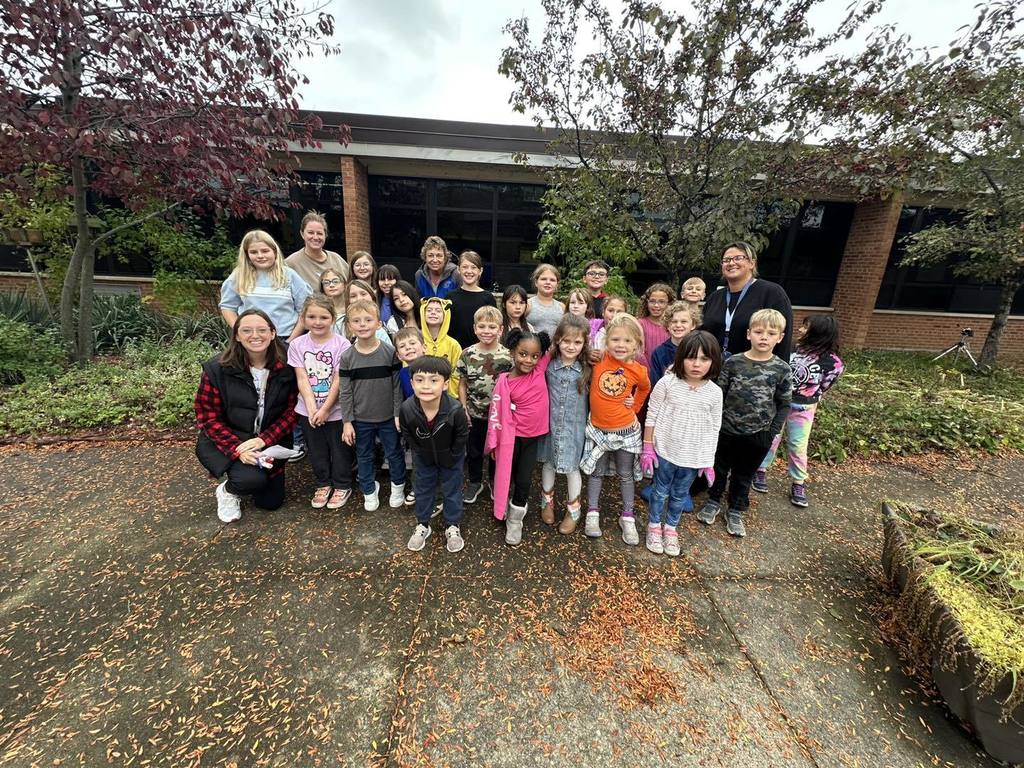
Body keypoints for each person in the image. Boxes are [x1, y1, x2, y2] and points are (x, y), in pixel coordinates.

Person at [195, 309, 298, 523]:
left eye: (262, 330)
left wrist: (263, 439)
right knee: (249, 480)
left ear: (272, 333)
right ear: (237, 336)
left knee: (271, 502)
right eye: (247, 330)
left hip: (269, 439)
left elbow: (293, 410)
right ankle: (228, 491)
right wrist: (236, 450)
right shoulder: (217, 369)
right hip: (231, 438)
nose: (255, 335)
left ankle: (257, 476)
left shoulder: (288, 365)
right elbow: (207, 417)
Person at [698, 308, 792, 538]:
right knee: (719, 468)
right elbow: (718, 394)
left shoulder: (781, 369)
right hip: (726, 430)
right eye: (759, 332)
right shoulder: (734, 363)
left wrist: (771, 433)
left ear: (779, 338)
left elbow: (784, 404)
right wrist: (715, 424)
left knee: (744, 474)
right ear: (749, 334)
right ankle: (713, 500)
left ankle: (737, 509)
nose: (764, 337)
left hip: (758, 433)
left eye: (771, 333)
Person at [641, 331, 723, 556]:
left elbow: (714, 427)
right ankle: (654, 525)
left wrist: (708, 460)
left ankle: (671, 528)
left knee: (679, 495)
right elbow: (652, 414)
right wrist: (647, 447)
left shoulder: (715, 393)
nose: (697, 364)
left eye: (704, 359)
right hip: (665, 451)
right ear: (680, 357)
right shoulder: (667, 383)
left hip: (693, 457)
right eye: (691, 357)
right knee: (659, 491)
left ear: (713, 361)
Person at [753, 314, 844, 508]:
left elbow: (824, 386)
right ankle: (760, 470)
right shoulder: (792, 349)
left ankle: (798, 482)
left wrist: (809, 399)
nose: (801, 330)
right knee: (771, 438)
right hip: (778, 404)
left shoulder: (833, 362)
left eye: (806, 327)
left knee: (797, 445)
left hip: (803, 408)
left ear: (818, 332)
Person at [580, 313, 652, 544]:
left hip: (625, 431)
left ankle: (628, 516)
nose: (621, 345)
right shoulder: (599, 359)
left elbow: (644, 389)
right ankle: (592, 512)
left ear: (637, 345)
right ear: (606, 340)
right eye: (616, 340)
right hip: (598, 430)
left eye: (627, 341)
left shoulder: (639, 371)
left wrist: (635, 406)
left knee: (625, 474)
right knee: (596, 472)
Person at [485, 328, 552, 546]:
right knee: (506, 475)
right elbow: (495, 415)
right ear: (513, 352)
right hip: (509, 439)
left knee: (524, 479)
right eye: (523, 354)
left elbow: (560, 340)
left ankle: (515, 519)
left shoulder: (540, 370)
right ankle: (501, 505)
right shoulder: (504, 381)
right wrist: (494, 444)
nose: (529, 360)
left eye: (534, 356)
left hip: (531, 440)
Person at [338, 300, 407, 512]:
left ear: (378, 323)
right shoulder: (347, 357)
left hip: (388, 417)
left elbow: (397, 387)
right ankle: (369, 490)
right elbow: (345, 391)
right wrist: (347, 422)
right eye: (357, 321)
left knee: (394, 452)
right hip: (361, 419)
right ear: (349, 326)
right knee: (364, 454)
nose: (363, 324)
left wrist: (397, 413)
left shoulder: (389, 353)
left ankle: (398, 487)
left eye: (368, 320)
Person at [288, 295, 355, 509]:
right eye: (312, 317)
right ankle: (323, 482)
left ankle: (342, 484)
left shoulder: (341, 344)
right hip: (307, 409)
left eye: (323, 317)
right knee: (316, 449)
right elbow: (301, 378)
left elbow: (338, 379)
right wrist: (311, 408)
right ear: (304, 318)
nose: (318, 322)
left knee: (339, 448)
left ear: (333, 318)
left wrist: (325, 408)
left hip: (335, 410)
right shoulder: (297, 345)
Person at [400, 356, 470, 553]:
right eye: (420, 380)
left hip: (451, 458)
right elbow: (406, 432)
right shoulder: (407, 408)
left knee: (452, 491)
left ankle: (452, 525)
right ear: (412, 383)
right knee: (422, 489)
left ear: (445, 384)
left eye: (434, 380)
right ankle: (423, 524)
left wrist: (454, 455)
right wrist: (419, 451)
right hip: (423, 458)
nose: (426, 386)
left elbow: (462, 435)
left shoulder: (455, 409)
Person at [537, 315, 591, 534]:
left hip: (574, 429)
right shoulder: (548, 367)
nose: (571, 346)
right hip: (550, 426)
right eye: (566, 341)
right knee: (548, 463)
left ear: (584, 344)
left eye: (577, 342)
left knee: (571, 468)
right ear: (557, 340)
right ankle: (546, 501)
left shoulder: (589, 370)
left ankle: (573, 509)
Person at [701, 242, 794, 361]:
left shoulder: (772, 293)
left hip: (753, 373)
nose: (731, 263)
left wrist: (778, 373)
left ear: (752, 263)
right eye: (726, 260)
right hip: (713, 371)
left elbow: (783, 339)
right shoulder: (715, 297)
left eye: (738, 258)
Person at [456, 306, 512, 505]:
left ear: (500, 329)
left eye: (492, 326)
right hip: (474, 412)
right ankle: (475, 481)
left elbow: (513, 386)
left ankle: (495, 482)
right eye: (482, 326)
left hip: (499, 416)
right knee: (474, 450)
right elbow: (462, 382)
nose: (487, 330)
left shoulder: (507, 356)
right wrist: (463, 407)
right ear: (474, 328)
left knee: (497, 451)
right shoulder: (467, 354)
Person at [219, 230, 311, 341]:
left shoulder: (289, 275)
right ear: (247, 255)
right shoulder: (239, 276)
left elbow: (305, 310)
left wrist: (291, 341)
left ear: (274, 251)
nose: (260, 256)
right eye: (253, 252)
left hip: (284, 336)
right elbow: (227, 307)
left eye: (265, 251)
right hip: (252, 339)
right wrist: (240, 331)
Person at [285, 210, 349, 291]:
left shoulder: (337, 260)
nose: (315, 237)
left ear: (325, 235)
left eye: (319, 233)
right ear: (302, 234)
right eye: (310, 232)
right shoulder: (291, 263)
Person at [448, 250, 498, 348]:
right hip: (455, 352)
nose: (469, 271)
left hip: (481, 353)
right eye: (465, 267)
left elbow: (493, 327)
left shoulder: (488, 298)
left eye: (473, 267)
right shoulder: (450, 297)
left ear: (480, 271)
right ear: (458, 269)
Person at [649, 302, 701, 384]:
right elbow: (655, 383)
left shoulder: (699, 350)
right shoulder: (659, 352)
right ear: (667, 325)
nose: (678, 325)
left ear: (693, 325)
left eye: (683, 321)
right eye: (674, 321)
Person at [420, 297, 462, 396]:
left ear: (445, 315)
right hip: (421, 395)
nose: (433, 313)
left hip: (446, 397)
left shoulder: (453, 344)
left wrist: (449, 394)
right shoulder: (417, 341)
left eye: (438, 311)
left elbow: (457, 374)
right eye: (429, 310)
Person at [341, 279, 392, 348]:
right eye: (353, 296)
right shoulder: (339, 325)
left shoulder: (378, 330)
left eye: (363, 294)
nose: (359, 298)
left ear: (372, 298)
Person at [636, 282, 673, 370]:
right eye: (652, 301)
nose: (656, 305)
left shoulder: (673, 325)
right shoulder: (640, 323)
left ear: (669, 303)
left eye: (661, 302)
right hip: (646, 372)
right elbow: (639, 352)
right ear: (646, 302)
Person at [526, 263, 566, 337]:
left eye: (552, 280)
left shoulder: (562, 307)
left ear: (557, 284)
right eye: (543, 279)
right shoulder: (528, 304)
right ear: (536, 282)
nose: (548, 282)